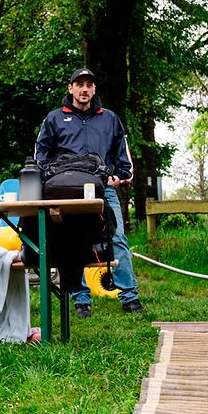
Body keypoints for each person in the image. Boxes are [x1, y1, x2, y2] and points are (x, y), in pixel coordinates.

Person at [34, 67, 142, 318]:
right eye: (79, 84)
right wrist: (49, 178)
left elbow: (122, 154)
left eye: (89, 85)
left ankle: (130, 297)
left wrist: (120, 176)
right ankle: (80, 298)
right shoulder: (54, 118)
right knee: (71, 240)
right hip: (66, 191)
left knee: (117, 238)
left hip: (103, 190)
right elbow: (41, 154)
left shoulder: (109, 118)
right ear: (70, 88)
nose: (84, 89)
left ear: (94, 89)